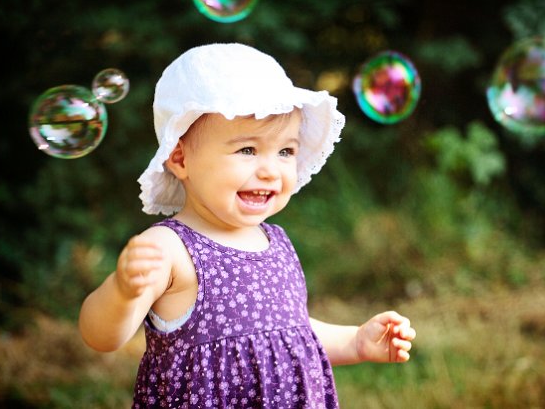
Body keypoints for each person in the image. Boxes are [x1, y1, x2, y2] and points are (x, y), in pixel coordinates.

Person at [79, 42, 416, 408]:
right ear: (180, 158)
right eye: (247, 150)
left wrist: (355, 342)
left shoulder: (275, 240)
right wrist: (123, 291)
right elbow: (101, 336)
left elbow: (289, 334)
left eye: (285, 151)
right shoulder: (170, 248)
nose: (271, 170)